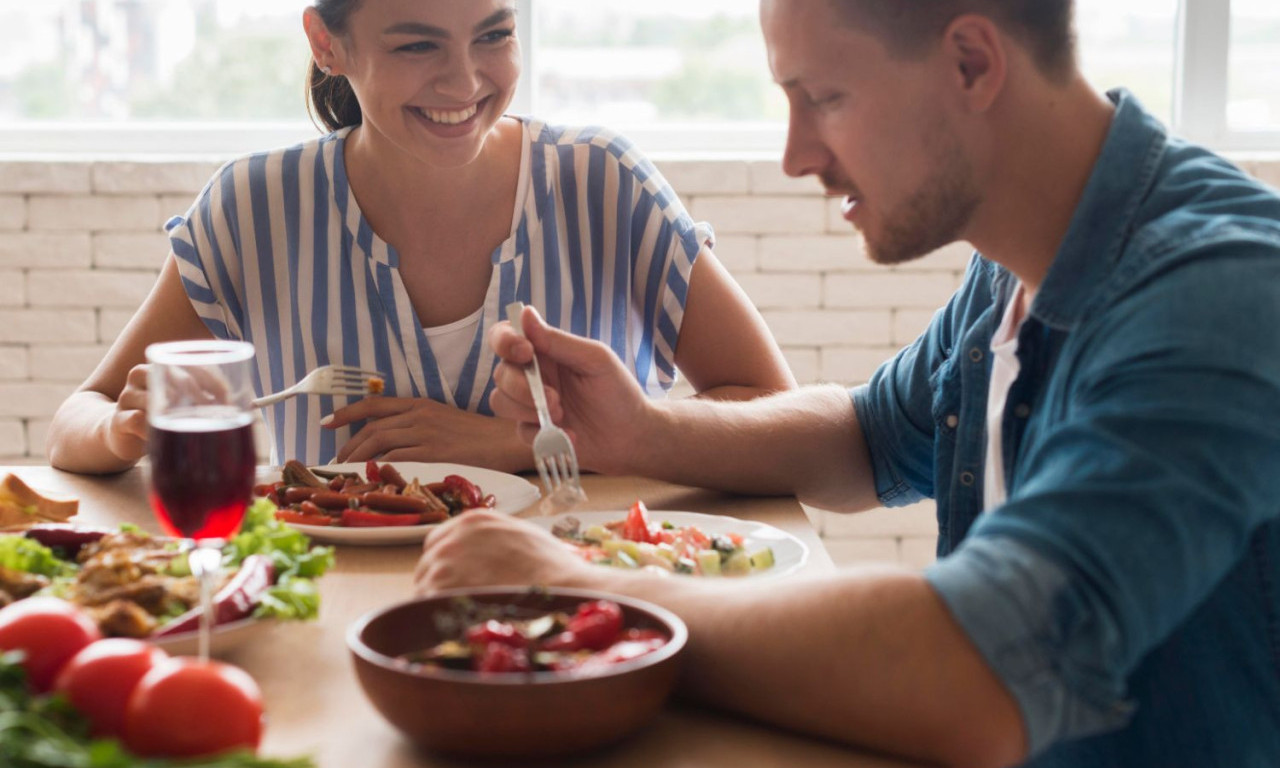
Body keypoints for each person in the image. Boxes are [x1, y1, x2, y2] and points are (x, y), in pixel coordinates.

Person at [411, 1, 1280, 766]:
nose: (794, 157)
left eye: (822, 97)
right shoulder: (1013, 265)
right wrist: (640, 431)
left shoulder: (1216, 294)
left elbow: (983, 671)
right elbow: (868, 439)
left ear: (972, 62)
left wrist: (581, 587)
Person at [45, 0, 795, 475]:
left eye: (494, 34)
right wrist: (121, 430)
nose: (465, 82)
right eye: (417, 47)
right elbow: (77, 420)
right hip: (336, 622)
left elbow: (772, 410)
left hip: (581, 609)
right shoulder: (253, 207)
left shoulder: (606, 184)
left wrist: (517, 443)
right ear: (326, 43)